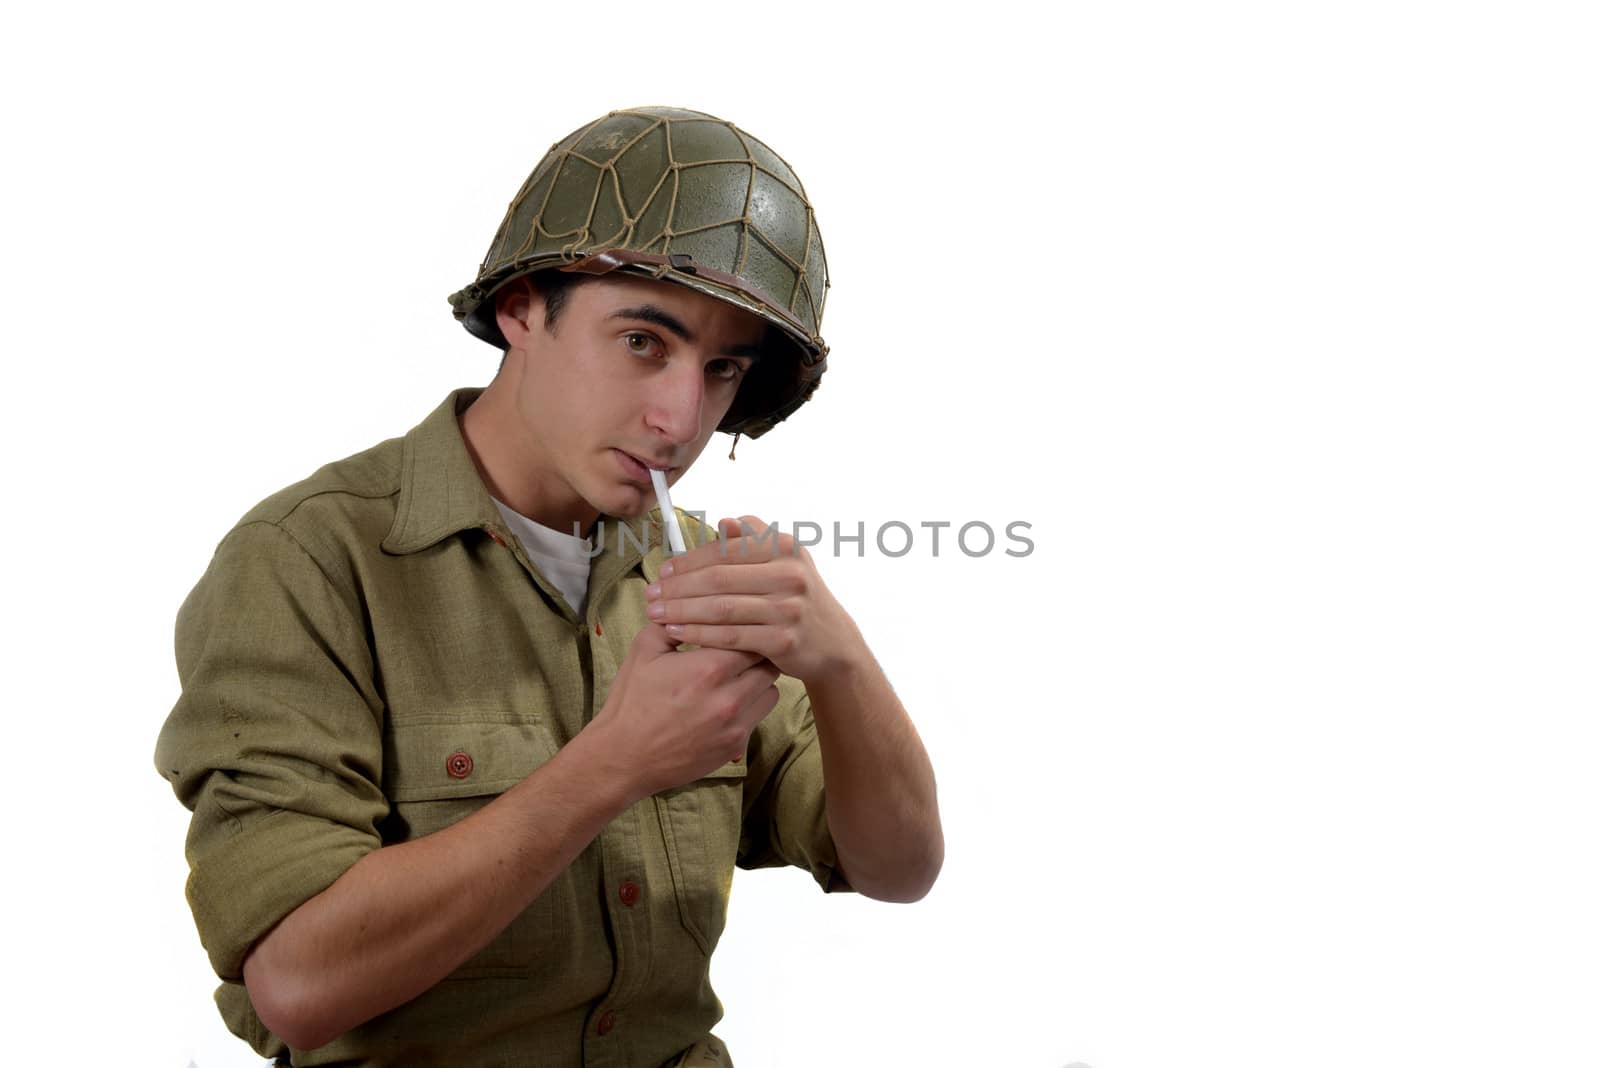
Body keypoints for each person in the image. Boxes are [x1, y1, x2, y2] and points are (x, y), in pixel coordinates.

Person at [155, 105, 943, 1068]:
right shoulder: (311, 562)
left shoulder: (698, 575)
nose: (678, 419)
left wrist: (843, 663)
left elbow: (899, 869)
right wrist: (614, 762)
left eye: (723, 367)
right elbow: (300, 985)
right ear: (524, 308)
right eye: (644, 342)